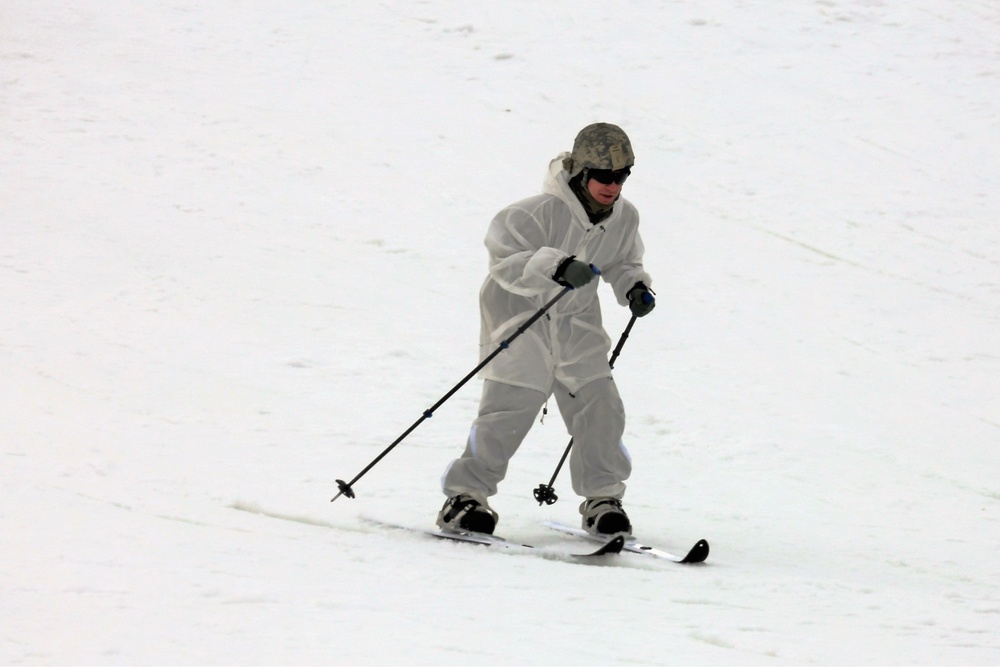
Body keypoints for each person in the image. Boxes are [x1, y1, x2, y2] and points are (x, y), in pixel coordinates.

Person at [436, 122, 655, 537]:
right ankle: (464, 498)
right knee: (509, 410)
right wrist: (555, 266)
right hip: (522, 320)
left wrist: (635, 287)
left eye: (622, 175)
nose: (614, 185)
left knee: (601, 407)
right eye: (604, 176)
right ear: (580, 173)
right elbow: (505, 261)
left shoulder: (623, 217)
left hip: (577, 325)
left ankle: (602, 499)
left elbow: (623, 260)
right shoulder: (532, 213)